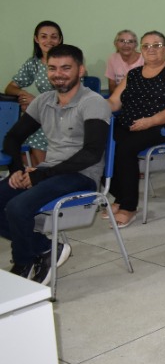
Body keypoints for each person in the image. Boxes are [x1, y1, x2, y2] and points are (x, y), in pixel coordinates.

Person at [1, 44, 111, 283]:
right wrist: (17, 170)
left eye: (65, 68)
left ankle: (23, 262)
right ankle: (45, 248)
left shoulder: (93, 102)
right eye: (52, 68)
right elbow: (13, 137)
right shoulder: (44, 101)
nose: (58, 74)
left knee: (17, 207)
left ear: (80, 70)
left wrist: (41, 175)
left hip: (82, 175)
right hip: (50, 171)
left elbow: (91, 153)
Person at [107, 31, 165, 228]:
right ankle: (119, 195)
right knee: (100, 141)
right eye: (146, 46)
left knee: (125, 148)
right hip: (130, 125)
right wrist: (91, 106)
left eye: (157, 45)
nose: (151, 49)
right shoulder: (133, 74)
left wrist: (151, 121)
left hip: (162, 127)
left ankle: (128, 207)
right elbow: (114, 101)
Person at [4, 20, 64, 166]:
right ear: (36, 39)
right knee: (15, 135)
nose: (49, 41)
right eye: (44, 36)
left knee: (36, 130)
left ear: (60, 39)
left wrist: (36, 102)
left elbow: (70, 94)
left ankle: (45, 172)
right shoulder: (34, 63)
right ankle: (37, 171)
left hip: (63, 111)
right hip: (43, 112)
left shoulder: (67, 62)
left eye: (54, 37)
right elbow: (10, 88)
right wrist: (23, 95)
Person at [104, 29, 144, 95]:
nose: (126, 45)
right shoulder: (112, 58)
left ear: (136, 45)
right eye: (122, 41)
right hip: (119, 97)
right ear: (116, 44)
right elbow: (112, 86)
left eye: (130, 41)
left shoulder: (145, 59)